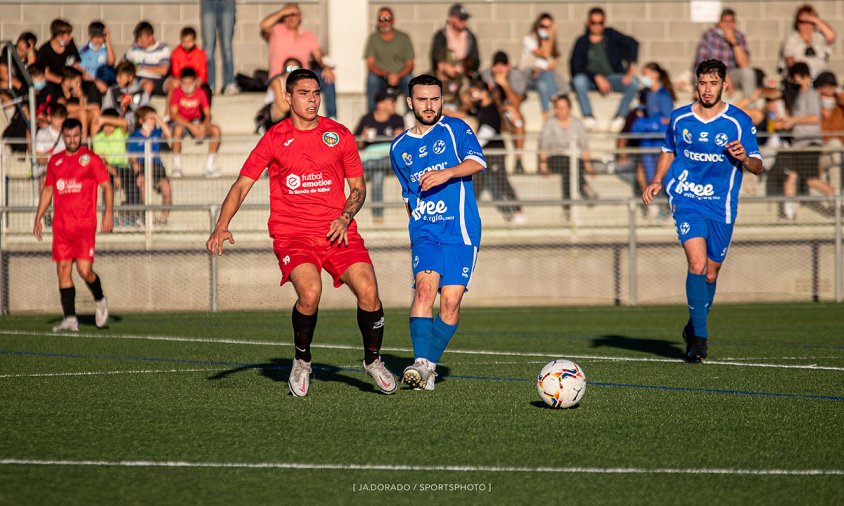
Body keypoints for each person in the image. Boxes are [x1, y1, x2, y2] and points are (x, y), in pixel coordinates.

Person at [206, 68, 396, 397]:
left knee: (369, 292)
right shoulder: (274, 139)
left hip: (338, 232)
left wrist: (345, 217)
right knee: (310, 293)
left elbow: (358, 189)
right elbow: (242, 185)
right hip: (293, 234)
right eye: (304, 93)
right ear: (288, 98)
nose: (312, 99)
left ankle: (373, 360)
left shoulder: (339, 135)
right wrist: (222, 225)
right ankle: (302, 360)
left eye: (316, 93)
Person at [642, 59, 763, 363]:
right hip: (686, 198)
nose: (707, 89)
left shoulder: (738, 121)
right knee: (696, 265)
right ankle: (700, 338)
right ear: (695, 85)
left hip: (721, 204)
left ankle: (692, 324)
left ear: (724, 85)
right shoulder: (681, 117)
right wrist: (657, 180)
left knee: (711, 273)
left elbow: (758, 166)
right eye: (702, 83)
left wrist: (744, 157)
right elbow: (668, 150)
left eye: (713, 83)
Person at [389, 74, 486, 391]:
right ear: (410, 102)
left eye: (435, 99)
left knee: (451, 302)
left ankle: (429, 365)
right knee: (423, 290)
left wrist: (446, 173)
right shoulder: (399, 148)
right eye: (422, 99)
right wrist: (415, 231)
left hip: (460, 229)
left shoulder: (455, 128)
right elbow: (407, 196)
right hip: (425, 230)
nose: (429, 105)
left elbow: (477, 162)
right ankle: (420, 365)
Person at [33, 118, 113, 332]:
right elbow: (48, 189)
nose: (72, 140)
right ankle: (70, 318)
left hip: (84, 226)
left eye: (76, 135)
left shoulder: (91, 159)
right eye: (68, 136)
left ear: (81, 134)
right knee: (63, 270)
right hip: (61, 227)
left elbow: (106, 186)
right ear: (63, 135)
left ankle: (100, 299)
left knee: (84, 270)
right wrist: (39, 217)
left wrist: (108, 213)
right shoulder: (56, 161)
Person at [775, 62, 836, 220]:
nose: (794, 81)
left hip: (809, 143)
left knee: (811, 180)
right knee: (791, 175)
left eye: (796, 77)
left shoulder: (811, 94)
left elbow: (814, 118)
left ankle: (836, 198)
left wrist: (793, 120)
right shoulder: (798, 96)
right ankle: (789, 216)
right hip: (798, 144)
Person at [260, 3, 337, 119]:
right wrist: (283, 12)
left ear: (300, 17)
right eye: (288, 15)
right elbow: (263, 25)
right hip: (280, 77)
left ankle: (332, 118)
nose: (291, 17)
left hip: (302, 76)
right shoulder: (276, 30)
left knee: (328, 78)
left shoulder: (308, 35)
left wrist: (326, 67)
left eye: (294, 15)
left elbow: (319, 55)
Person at [569, 6, 639, 132]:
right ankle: (588, 115)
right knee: (578, 80)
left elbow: (633, 43)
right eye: (593, 23)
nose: (597, 26)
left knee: (634, 82)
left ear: (604, 23)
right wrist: (596, 77)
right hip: (589, 80)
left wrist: (631, 68)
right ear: (588, 23)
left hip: (612, 78)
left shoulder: (611, 35)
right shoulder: (582, 41)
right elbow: (576, 67)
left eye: (600, 23)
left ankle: (620, 116)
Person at [469, 80, 526, 225]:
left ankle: (518, 210)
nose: (473, 96)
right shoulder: (480, 110)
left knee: (502, 183)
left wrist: (469, 149)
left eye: (475, 92)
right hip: (484, 155)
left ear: (484, 93)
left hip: (495, 154)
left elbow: (487, 132)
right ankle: (466, 212)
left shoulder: (491, 110)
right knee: (477, 183)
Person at [538, 94, 598, 220]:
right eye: (558, 108)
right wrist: (543, 166)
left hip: (574, 161)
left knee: (569, 169)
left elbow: (584, 146)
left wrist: (588, 166)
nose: (560, 111)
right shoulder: (550, 123)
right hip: (555, 158)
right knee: (568, 163)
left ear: (569, 108)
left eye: (563, 108)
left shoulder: (577, 124)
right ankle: (584, 187)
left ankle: (567, 208)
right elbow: (544, 146)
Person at [353, 89, 405, 224]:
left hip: (387, 159)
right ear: (380, 104)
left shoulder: (398, 119)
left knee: (384, 163)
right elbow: (356, 144)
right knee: (378, 175)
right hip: (374, 158)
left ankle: (366, 169)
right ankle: (378, 215)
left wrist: (399, 136)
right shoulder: (367, 119)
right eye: (391, 101)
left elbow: (400, 146)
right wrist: (362, 139)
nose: (394, 104)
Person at [631, 62, 676, 204]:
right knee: (650, 175)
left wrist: (652, 123)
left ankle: (665, 206)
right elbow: (642, 114)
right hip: (647, 140)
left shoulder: (664, 95)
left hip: (659, 140)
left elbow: (667, 119)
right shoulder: (646, 93)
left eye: (646, 74)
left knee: (662, 174)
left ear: (656, 75)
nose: (644, 77)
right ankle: (654, 205)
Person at [169, 67, 222, 178]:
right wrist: (190, 126)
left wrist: (203, 125)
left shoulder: (200, 93)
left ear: (195, 82)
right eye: (184, 83)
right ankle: (177, 166)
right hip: (182, 124)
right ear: (180, 82)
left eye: (190, 83)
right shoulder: (176, 92)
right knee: (177, 130)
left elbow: (208, 114)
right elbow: (173, 114)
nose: (187, 86)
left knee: (216, 130)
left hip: (197, 123)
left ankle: (209, 165)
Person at [482, 51, 528, 174]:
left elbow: (516, 103)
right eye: (496, 66)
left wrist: (505, 84)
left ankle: (519, 161)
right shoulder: (487, 75)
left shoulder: (516, 76)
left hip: (508, 114)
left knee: (517, 119)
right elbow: (487, 100)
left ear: (508, 67)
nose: (499, 69)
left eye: (502, 65)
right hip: (491, 114)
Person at [693, 8, 756, 99]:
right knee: (700, 75)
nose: (728, 25)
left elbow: (744, 64)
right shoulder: (709, 35)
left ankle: (751, 108)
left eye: (731, 21)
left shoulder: (739, 36)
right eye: (725, 22)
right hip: (711, 72)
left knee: (748, 73)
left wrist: (734, 42)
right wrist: (723, 75)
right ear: (720, 22)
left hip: (732, 74)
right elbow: (702, 62)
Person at [93, 108, 140, 227]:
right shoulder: (98, 137)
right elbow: (102, 160)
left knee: (133, 190)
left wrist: (104, 119)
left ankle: (133, 216)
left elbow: (125, 123)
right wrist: (115, 175)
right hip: (107, 168)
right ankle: (107, 218)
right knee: (108, 187)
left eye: (111, 124)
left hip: (123, 167)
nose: (108, 127)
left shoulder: (120, 133)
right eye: (105, 125)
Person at [127, 105, 172, 224]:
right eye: (150, 118)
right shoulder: (134, 136)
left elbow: (168, 134)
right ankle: (149, 217)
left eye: (154, 119)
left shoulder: (156, 133)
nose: (153, 121)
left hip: (157, 166)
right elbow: (133, 158)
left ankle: (163, 218)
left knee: (167, 189)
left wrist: (158, 118)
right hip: (142, 166)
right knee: (143, 186)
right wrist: (139, 173)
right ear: (142, 121)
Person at [364, 6, 414, 113]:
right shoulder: (373, 38)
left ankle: (410, 115)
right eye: (381, 19)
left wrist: (397, 76)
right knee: (372, 79)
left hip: (401, 77)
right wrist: (387, 75)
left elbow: (410, 64)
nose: (384, 22)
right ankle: (372, 115)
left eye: (387, 18)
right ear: (378, 22)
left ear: (393, 20)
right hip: (381, 77)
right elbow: (370, 64)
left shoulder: (404, 38)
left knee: (410, 80)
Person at [519, 12, 561, 120]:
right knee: (546, 74)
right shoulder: (529, 39)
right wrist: (551, 36)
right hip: (528, 76)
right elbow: (545, 54)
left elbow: (552, 65)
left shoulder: (553, 45)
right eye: (543, 26)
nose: (545, 29)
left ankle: (546, 112)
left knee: (543, 83)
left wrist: (542, 69)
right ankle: (555, 100)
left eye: (548, 27)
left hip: (543, 79)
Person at [782, 4, 836, 80]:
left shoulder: (820, 37)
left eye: (809, 22)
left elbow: (831, 36)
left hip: (820, 79)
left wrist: (814, 19)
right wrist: (801, 78)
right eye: (803, 22)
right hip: (800, 80)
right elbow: (790, 59)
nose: (806, 25)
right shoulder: (792, 38)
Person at [123, 21, 171, 100]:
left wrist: (142, 67)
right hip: (140, 78)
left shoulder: (163, 49)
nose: (139, 42)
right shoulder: (134, 48)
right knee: (148, 85)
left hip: (159, 79)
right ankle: (142, 108)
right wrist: (132, 67)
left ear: (151, 37)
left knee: (174, 84)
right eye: (138, 39)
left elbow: (164, 70)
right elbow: (123, 63)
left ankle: (168, 112)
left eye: (142, 40)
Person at [430, 3, 480, 77]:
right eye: (461, 18)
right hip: (445, 75)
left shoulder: (470, 36)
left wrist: (465, 66)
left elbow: (476, 60)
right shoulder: (441, 36)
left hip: (465, 75)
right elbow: (435, 59)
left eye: (466, 19)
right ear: (450, 18)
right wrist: (450, 67)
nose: (464, 22)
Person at [200, 0, 238, 95]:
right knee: (208, 47)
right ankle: (210, 84)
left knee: (227, 46)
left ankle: (229, 83)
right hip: (208, 2)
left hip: (227, 3)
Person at [815, 71, 844, 191]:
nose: (828, 91)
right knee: (835, 148)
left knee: (835, 164)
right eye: (824, 87)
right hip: (819, 154)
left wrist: (838, 95)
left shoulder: (840, 109)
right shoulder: (814, 108)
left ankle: (836, 204)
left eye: (831, 87)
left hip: (838, 155)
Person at [168, 27, 212, 104]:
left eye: (189, 41)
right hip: (182, 81)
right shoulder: (176, 53)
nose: (186, 44)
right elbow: (176, 72)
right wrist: (186, 82)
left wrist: (196, 82)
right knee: (175, 85)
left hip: (196, 81)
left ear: (194, 41)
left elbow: (203, 73)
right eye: (184, 41)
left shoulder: (200, 54)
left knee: (207, 91)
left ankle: (203, 113)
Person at [101, 61, 148, 131]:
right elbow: (106, 110)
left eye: (120, 77)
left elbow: (145, 114)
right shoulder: (112, 91)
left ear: (130, 77)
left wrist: (131, 103)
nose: (117, 80)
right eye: (117, 76)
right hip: (116, 127)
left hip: (135, 128)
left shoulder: (142, 93)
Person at [58, 67, 101, 139]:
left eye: (80, 82)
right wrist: (89, 106)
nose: (79, 85)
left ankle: (94, 143)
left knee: (95, 111)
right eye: (77, 82)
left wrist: (81, 97)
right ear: (68, 82)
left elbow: (89, 107)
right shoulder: (58, 90)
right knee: (82, 112)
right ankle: (83, 141)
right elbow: (66, 108)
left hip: (79, 116)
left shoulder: (80, 90)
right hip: (64, 117)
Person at [78, 21, 116, 94]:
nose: (97, 40)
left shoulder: (106, 49)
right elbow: (81, 68)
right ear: (90, 36)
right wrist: (93, 80)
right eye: (95, 37)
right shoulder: (84, 50)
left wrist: (108, 40)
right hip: (89, 81)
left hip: (104, 80)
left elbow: (111, 63)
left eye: (100, 37)